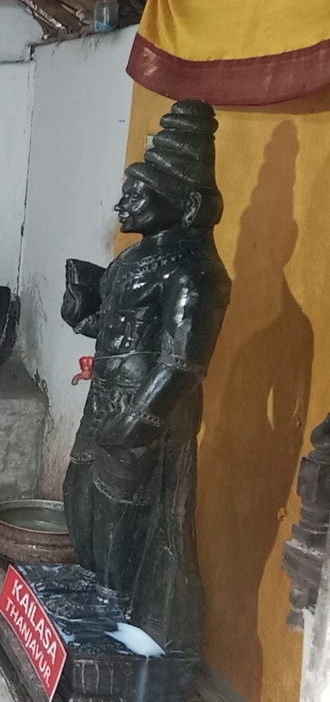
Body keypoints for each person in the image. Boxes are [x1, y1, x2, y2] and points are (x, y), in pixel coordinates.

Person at [61, 100, 231, 656]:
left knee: (122, 522)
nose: (122, 204)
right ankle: (97, 609)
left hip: (145, 411)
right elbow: (118, 332)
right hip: (105, 401)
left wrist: (141, 417)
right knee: (79, 499)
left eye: (137, 194)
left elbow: (183, 362)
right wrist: (81, 314)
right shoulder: (135, 259)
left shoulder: (195, 270)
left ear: (183, 203)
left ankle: (121, 630)